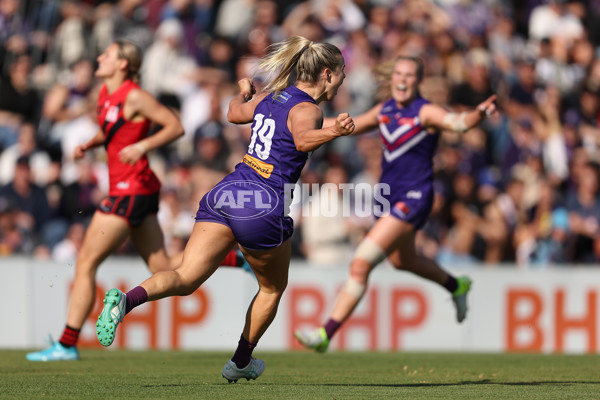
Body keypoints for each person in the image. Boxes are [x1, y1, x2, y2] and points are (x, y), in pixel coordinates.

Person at [94, 35, 354, 382]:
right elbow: (303, 139)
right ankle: (241, 361)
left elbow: (233, 113)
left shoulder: (270, 96)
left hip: (227, 191)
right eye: (342, 74)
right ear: (326, 73)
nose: (343, 80)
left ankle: (125, 302)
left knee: (186, 277)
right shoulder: (309, 109)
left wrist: (245, 94)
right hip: (262, 202)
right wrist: (335, 129)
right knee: (272, 288)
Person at [25, 40, 247, 362]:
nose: (100, 57)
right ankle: (237, 261)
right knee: (165, 266)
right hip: (138, 191)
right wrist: (90, 144)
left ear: (123, 64)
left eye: (108, 55)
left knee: (86, 263)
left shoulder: (134, 95)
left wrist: (143, 148)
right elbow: (111, 130)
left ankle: (67, 343)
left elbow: (176, 126)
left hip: (128, 190)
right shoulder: (105, 94)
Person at [294, 55, 497, 353]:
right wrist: (295, 123)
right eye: (398, 73)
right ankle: (457, 286)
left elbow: (458, 123)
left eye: (410, 75)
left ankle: (325, 334)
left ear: (418, 81)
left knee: (361, 262)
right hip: (389, 198)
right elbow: (347, 126)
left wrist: (478, 114)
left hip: (414, 198)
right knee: (404, 261)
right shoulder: (385, 109)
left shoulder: (425, 111)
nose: (402, 79)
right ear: (392, 79)